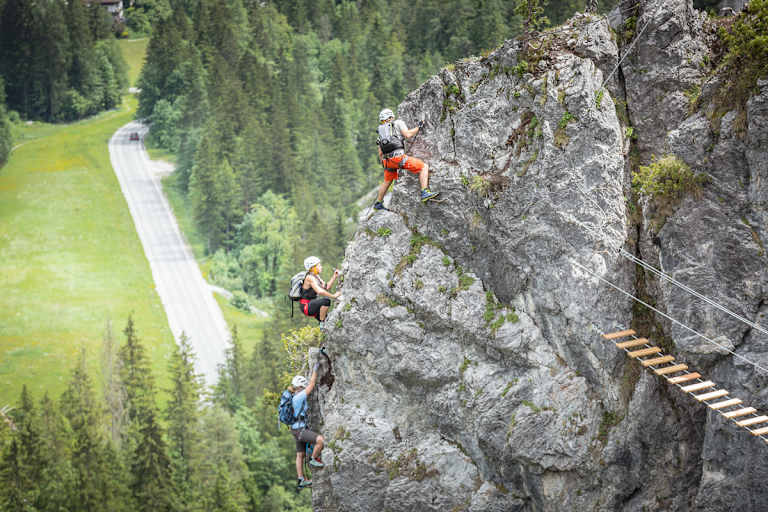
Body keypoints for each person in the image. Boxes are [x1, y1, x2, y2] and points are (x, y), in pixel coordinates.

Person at [374, 108, 439, 210]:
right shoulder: (398, 123)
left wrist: (386, 164)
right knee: (424, 167)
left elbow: (380, 153)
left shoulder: (381, 133)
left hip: (387, 161)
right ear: (391, 117)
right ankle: (425, 192)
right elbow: (407, 134)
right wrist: (419, 127)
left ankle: (378, 203)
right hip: (398, 158)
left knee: (387, 180)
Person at [290, 365, 324, 488]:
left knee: (300, 455)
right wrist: (315, 369)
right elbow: (311, 385)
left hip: (294, 429)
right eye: (302, 387)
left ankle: (301, 479)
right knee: (320, 440)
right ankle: (314, 459)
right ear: (300, 387)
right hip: (300, 430)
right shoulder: (299, 396)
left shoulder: (293, 397)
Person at [300, 256, 340, 322]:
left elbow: (326, 287)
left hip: (312, 304)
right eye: (319, 265)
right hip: (306, 306)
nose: (321, 267)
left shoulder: (316, 277)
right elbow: (320, 291)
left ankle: (323, 323)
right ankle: (322, 323)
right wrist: (333, 296)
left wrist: (334, 276)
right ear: (313, 267)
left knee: (327, 320)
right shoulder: (310, 278)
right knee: (326, 301)